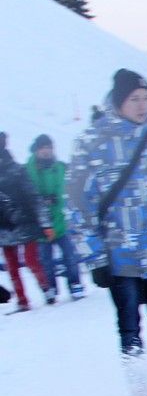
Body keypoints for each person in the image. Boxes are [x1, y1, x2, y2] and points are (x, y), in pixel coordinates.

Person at [67, 69, 147, 381]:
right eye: (135, 99)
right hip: (119, 257)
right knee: (128, 324)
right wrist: (95, 258)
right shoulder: (92, 142)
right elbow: (77, 205)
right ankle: (140, 386)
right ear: (118, 101)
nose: (142, 106)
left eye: (146, 99)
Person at [26, 134, 84, 301]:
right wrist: (42, 201)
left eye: (49, 148)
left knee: (70, 256)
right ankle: (50, 288)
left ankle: (75, 284)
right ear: (37, 150)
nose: (47, 151)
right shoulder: (29, 170)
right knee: (46, 261)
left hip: (61, 220)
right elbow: (28, 193)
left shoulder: (60, 167)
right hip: (40, 224)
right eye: (43, 148)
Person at [0, 131, 53, 312]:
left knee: (29, 261)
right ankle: (23, 300)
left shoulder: (17, 170)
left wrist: (45, 223)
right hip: (6, 225)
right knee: (12, 265)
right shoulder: (17, 169)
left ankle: (45, 288)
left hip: (24, 221)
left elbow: (33, 196)